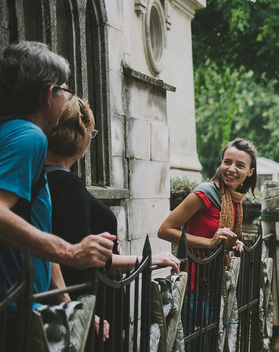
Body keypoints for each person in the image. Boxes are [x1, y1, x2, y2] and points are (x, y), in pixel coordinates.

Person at [0, 42, 115, 296]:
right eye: (64, 90)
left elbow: (38, 225)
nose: (66, 98)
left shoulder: (11, 133)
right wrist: (70, 252)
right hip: (14, 312)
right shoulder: (28, 136)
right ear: (48, 95)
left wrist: (64, 301)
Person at [46, 97, 180, 289]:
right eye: (91, 133)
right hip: (91, 304)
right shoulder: (68, 185)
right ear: (81, 134)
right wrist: (150, 259)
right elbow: (81, 264)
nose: (91, 139)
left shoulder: (38, 178)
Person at [158, 138, 257, 253]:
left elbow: (216, 236)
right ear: (221, 163)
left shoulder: (235, 200)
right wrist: (210, 242)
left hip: (217, 268)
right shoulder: (204, 193)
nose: (231, 169)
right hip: (196, 267)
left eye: (240, 165)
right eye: (227, 162)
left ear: (250, 172)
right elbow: (164, 231)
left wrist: (230, 243)